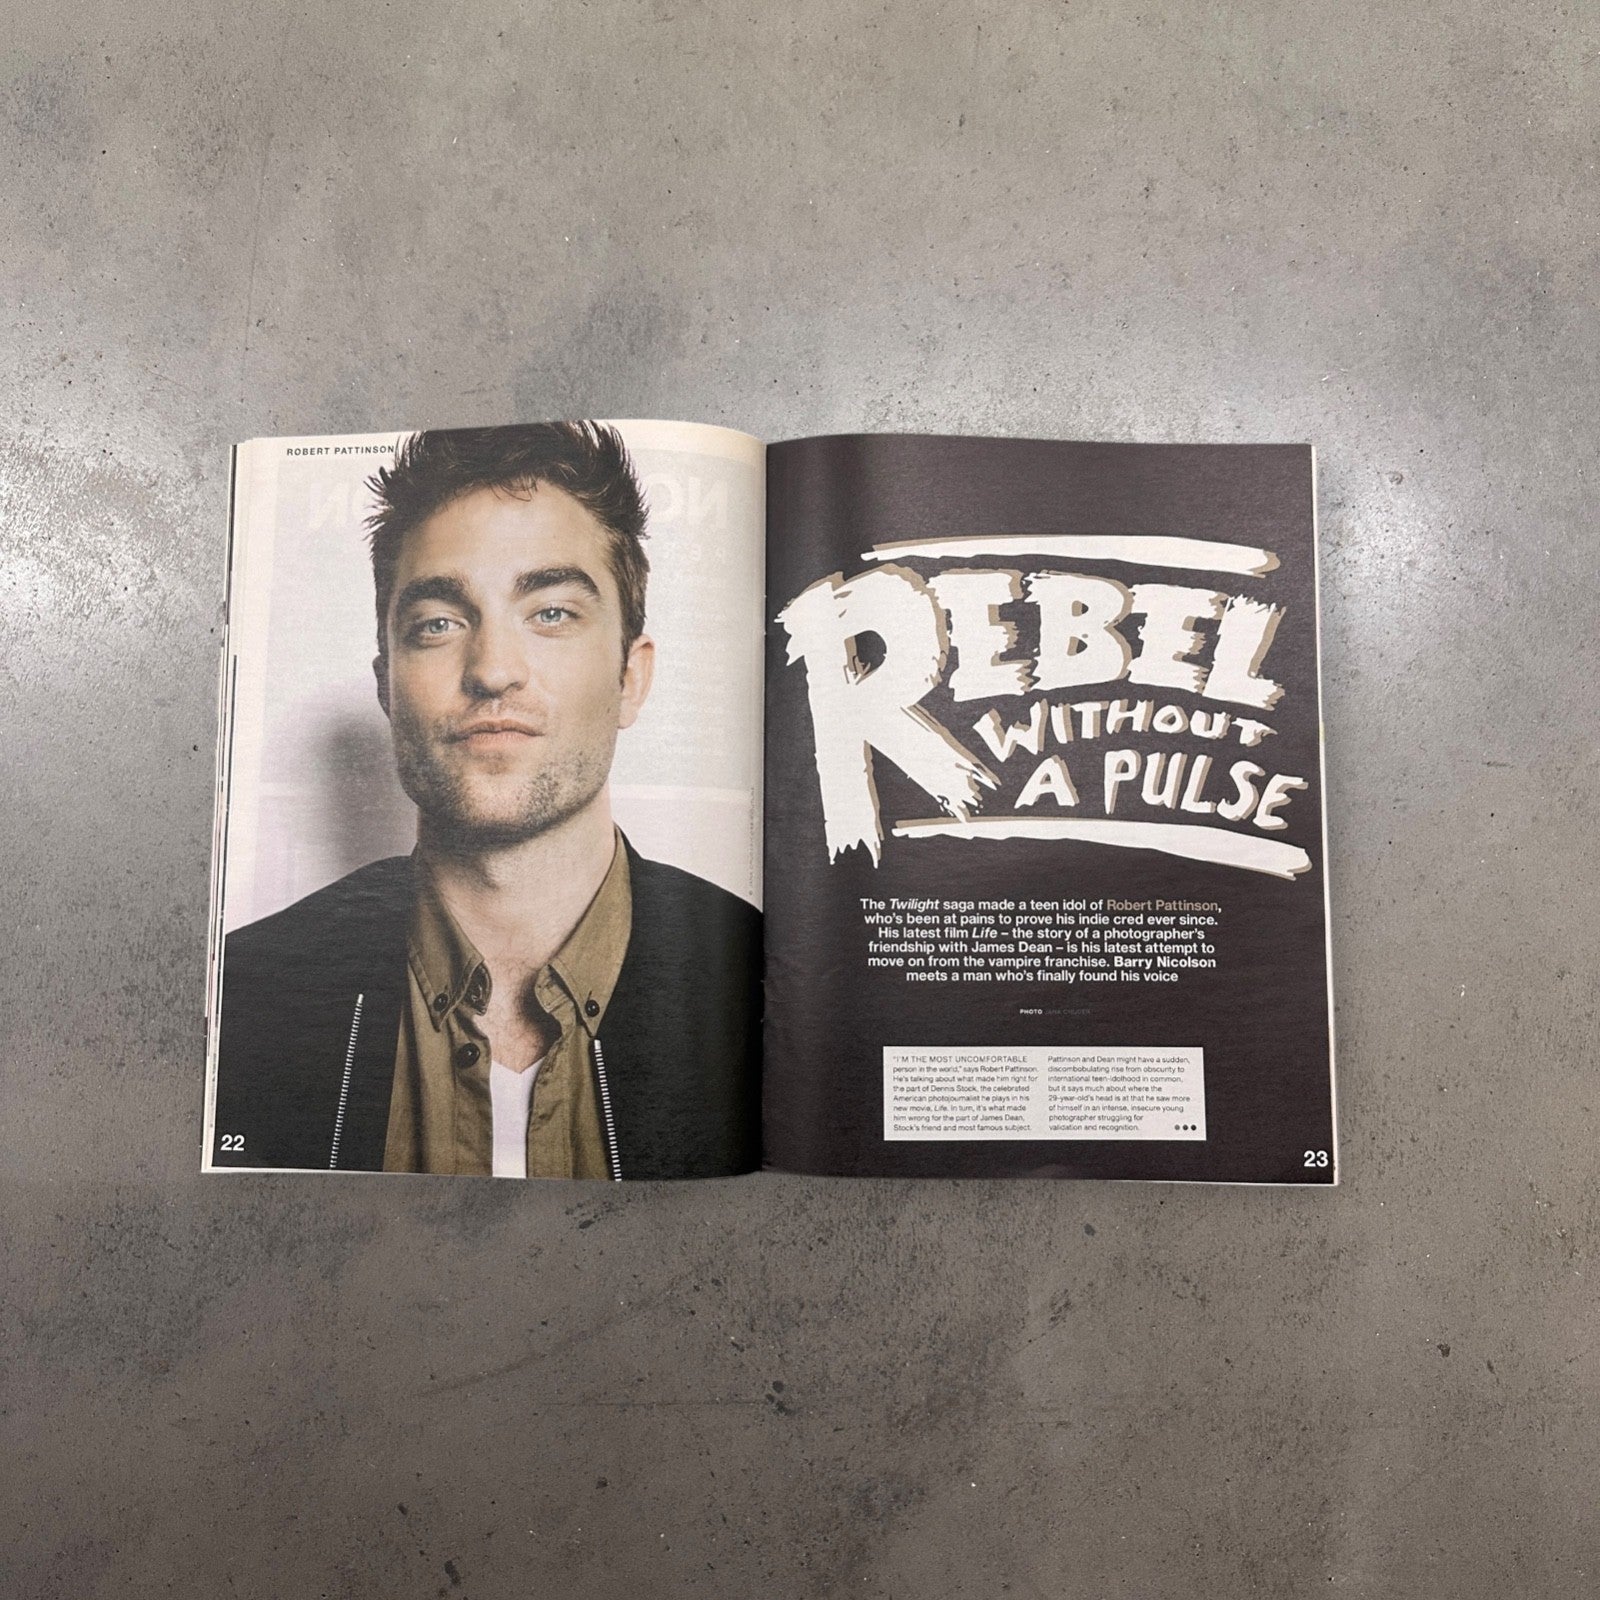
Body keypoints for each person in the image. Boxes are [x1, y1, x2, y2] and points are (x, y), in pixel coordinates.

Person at [211, 423, 760, 1179]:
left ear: (631, 679)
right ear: (386, 686)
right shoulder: (244, 997)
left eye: (551, 613)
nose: (494, 670)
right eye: (438, 624)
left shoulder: (764, 980)